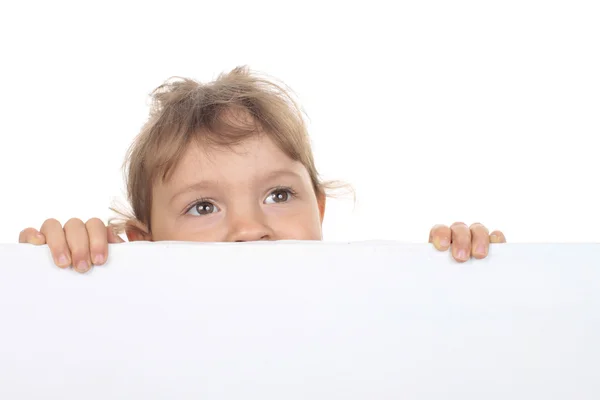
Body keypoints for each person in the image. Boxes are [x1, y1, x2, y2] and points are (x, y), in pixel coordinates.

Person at [18, 66, 506, 273]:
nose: (250, 230)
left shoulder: (369, 311)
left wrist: (469, 278)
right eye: (202, 205)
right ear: (143, 243)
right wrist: (59, 274)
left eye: (278, 195)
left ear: (317, 210)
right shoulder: (129, 326)